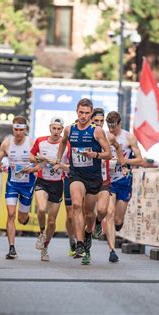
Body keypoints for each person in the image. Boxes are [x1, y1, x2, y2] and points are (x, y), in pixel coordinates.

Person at [54, 99, 111, 265]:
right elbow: (63, 142)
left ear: (91, 113)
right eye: (81, 112)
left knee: (89, 213)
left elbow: (108, 154)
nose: (84, 116)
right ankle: (79, 243)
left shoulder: (97, 131)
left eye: (87, 113)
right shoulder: (69, 129)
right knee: (76, 205)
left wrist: (96, 155)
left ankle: (87, 234)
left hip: (93, 177)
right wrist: (58, 159)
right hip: (76, 174)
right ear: (76, 112)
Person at [0, 116, 38, 259]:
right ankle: (11, 248)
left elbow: (40, 163)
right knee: (11, 214)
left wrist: (32, 169)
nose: (18, 133)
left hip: (28, 184)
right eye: (16, 129)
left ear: (25, 130)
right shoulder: (6, 143)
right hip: (12, 183)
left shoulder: (31, 143)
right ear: (13, 129)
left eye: (21, 130)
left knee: (21, 218)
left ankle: (24, 218)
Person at [30, 117, 69, 261]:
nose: (56, 132)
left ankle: (45, 248)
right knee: (41, 209)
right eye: (54, 128)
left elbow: (72, 166)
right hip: (42, 181)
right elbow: (30, 155)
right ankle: (41, 233)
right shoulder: (40, 141)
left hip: (57, 184)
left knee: (52, 222)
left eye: (59, 129)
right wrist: (39, 160)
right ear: (49, 128)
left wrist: (60, 165)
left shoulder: (67, 145)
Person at [106, 111, 143, 263]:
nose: (111, 130)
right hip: (109, 180)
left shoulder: (129, 137)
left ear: (120, 124)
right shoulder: (105, 136)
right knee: (109, 212)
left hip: (124, 179)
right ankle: (112, 251)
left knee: (118, 219)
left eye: (114, 127)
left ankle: (118, 225)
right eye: (109, 126)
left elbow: (141, 160)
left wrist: (123, 160)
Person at [90, 108, 125, 240]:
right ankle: (83, 245)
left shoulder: (109, 136)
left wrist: (124, 165)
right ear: (91, 121)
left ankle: (99, 222)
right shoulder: (85, 134)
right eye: (95, 121)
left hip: (103, 179)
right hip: (86, 178)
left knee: (103, 211)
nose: (99, 124)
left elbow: (118, 148)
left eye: (101, 121)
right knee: (86, 213)